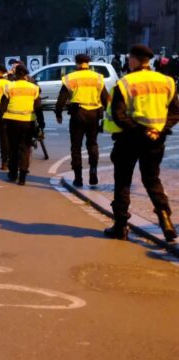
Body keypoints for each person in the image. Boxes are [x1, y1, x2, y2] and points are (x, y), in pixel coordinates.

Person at [103, 44, 179, 242]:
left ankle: (120, 226)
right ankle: (165, 219)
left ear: (135, 60)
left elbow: (119, 116)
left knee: (122, 181)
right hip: (156, 140)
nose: (128, 61)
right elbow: (175, 112)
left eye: (129, 58)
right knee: (152, 179)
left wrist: (141, 130)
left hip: (129, 139)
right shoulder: (168, 82)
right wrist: (156, 130)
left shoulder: (125, 83)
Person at [55, 54, 110, 187]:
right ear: (88, 63)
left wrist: (58, 114)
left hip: (78, 114)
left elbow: (61, 99)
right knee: (92, 144)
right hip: (94, 115)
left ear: (77, 63)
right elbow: (105, 98)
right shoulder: (98, 78)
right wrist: (107, 115)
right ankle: (93, 171)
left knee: (76, 146)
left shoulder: (71, 78)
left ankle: (78, 178)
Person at [0, 64, 45, 185]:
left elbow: (2, 106)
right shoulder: (34, 88)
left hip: (11, 121)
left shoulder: (9, 86)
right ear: (26, 75)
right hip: (28, 122)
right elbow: (38, 107)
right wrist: (41, 123)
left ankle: (13, 174)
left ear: (16, 74)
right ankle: (22, 176)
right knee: (25, 148)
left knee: (13, 148)